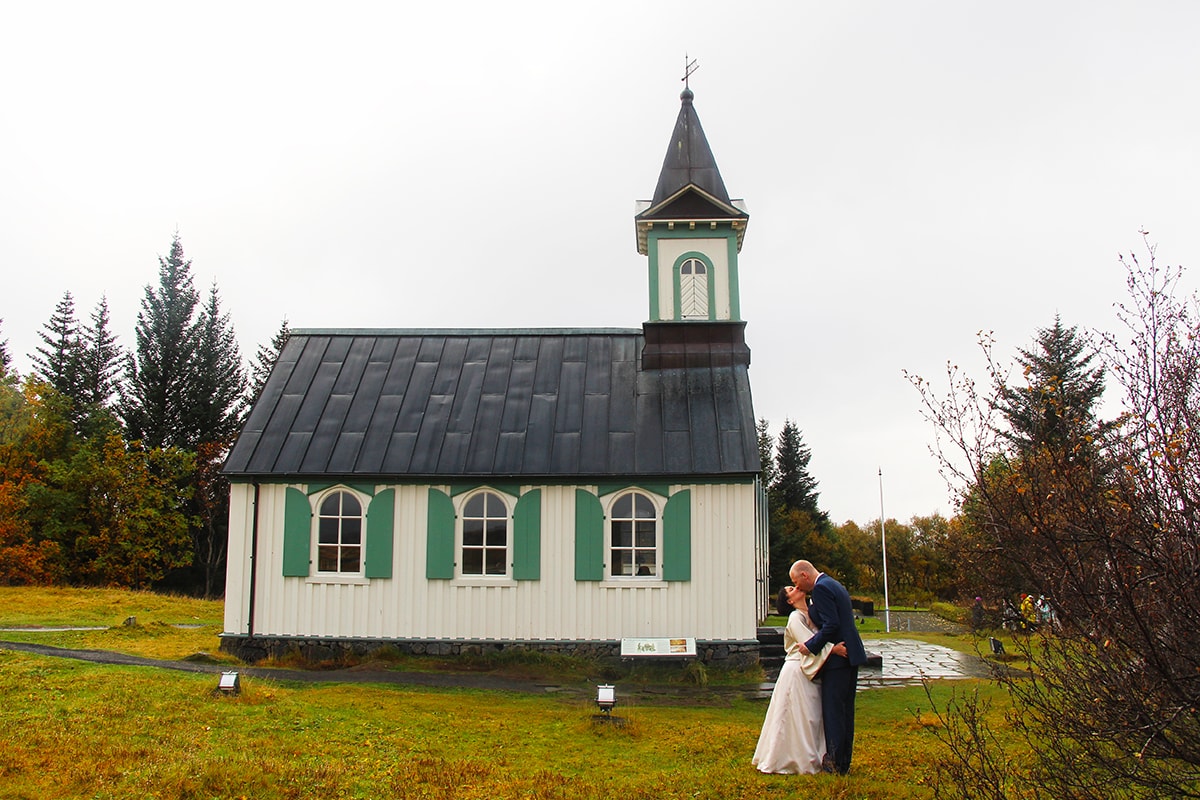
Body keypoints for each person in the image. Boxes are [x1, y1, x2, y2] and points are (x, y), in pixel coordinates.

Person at [752, 587, 848, 774]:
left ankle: (815, 755)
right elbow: (809, 641)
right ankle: (789, 758)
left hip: (812, 669)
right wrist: (833, 650)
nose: (796, 588)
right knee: (794, 715)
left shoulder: (812, 611)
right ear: (789, 600)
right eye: (791, 589)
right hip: (796, 669)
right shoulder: (795, 618)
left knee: (811, 715)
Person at [789, 559, 868, 775]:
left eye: (796, 582)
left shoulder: (821, 589)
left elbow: (831, 624)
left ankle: (834, 763)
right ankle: (843, 761)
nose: (797, 587)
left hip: (839, 661)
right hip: (850, 653)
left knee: (834, 713)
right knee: (845, 712)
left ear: (805, 575)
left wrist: (810, 646)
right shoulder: (834, 584)